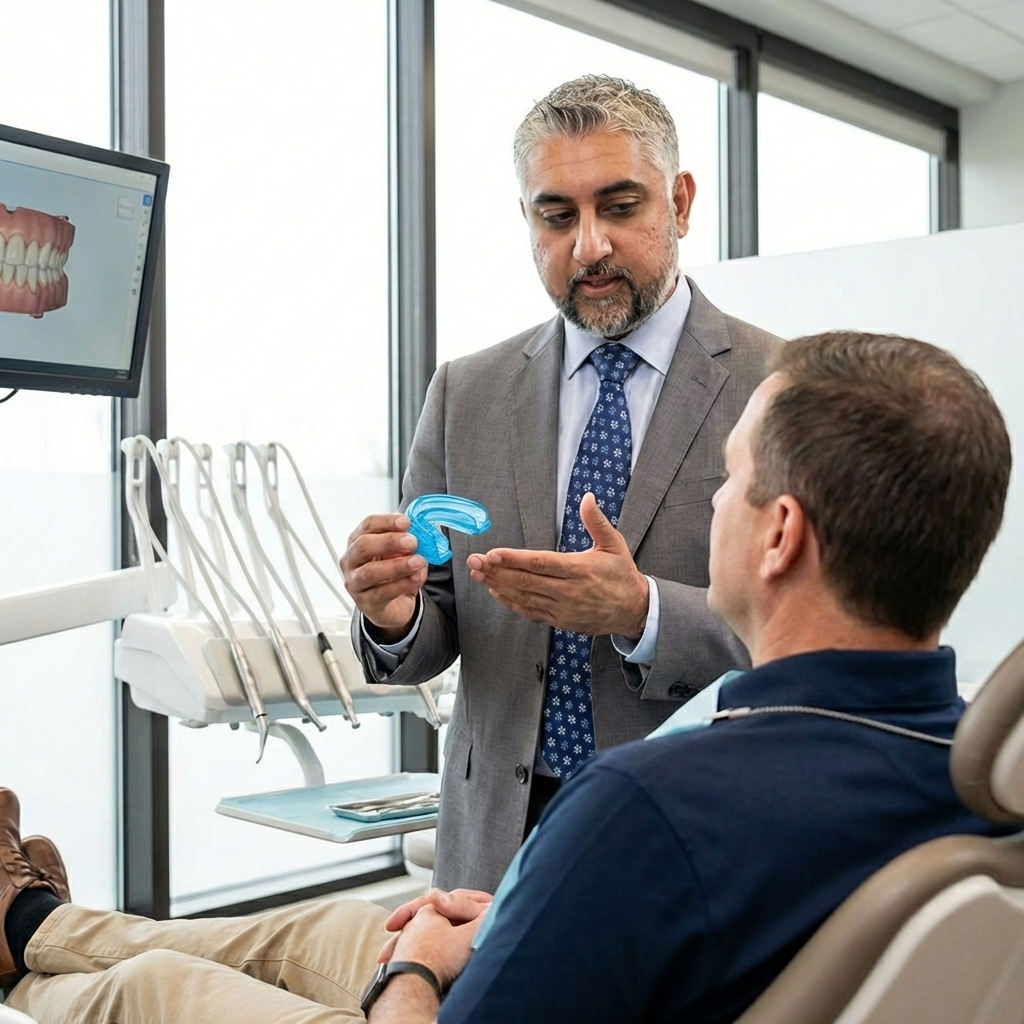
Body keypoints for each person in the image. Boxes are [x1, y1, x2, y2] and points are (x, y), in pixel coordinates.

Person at [1, 331, 1015, 1024]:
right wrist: (535, 906)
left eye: (733, 483)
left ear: (780, 534)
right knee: (312, 928)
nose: (715, 509)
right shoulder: (966, 784)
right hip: (592, 929)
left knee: (155, 985)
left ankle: (24, 952)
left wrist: (414, 971)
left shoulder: (648, 804)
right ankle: (28, 923)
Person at [341, 75, 780, 892]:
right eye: (557, 216)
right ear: (527, 222)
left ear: (680, 203)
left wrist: (642, 612)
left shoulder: (781, 384)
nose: (589, 246)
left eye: (619, 207)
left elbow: (814, 636)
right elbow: (432, 626)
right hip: (494, 841)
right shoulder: (463, 394)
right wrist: (394, 614)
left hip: (687, 833)